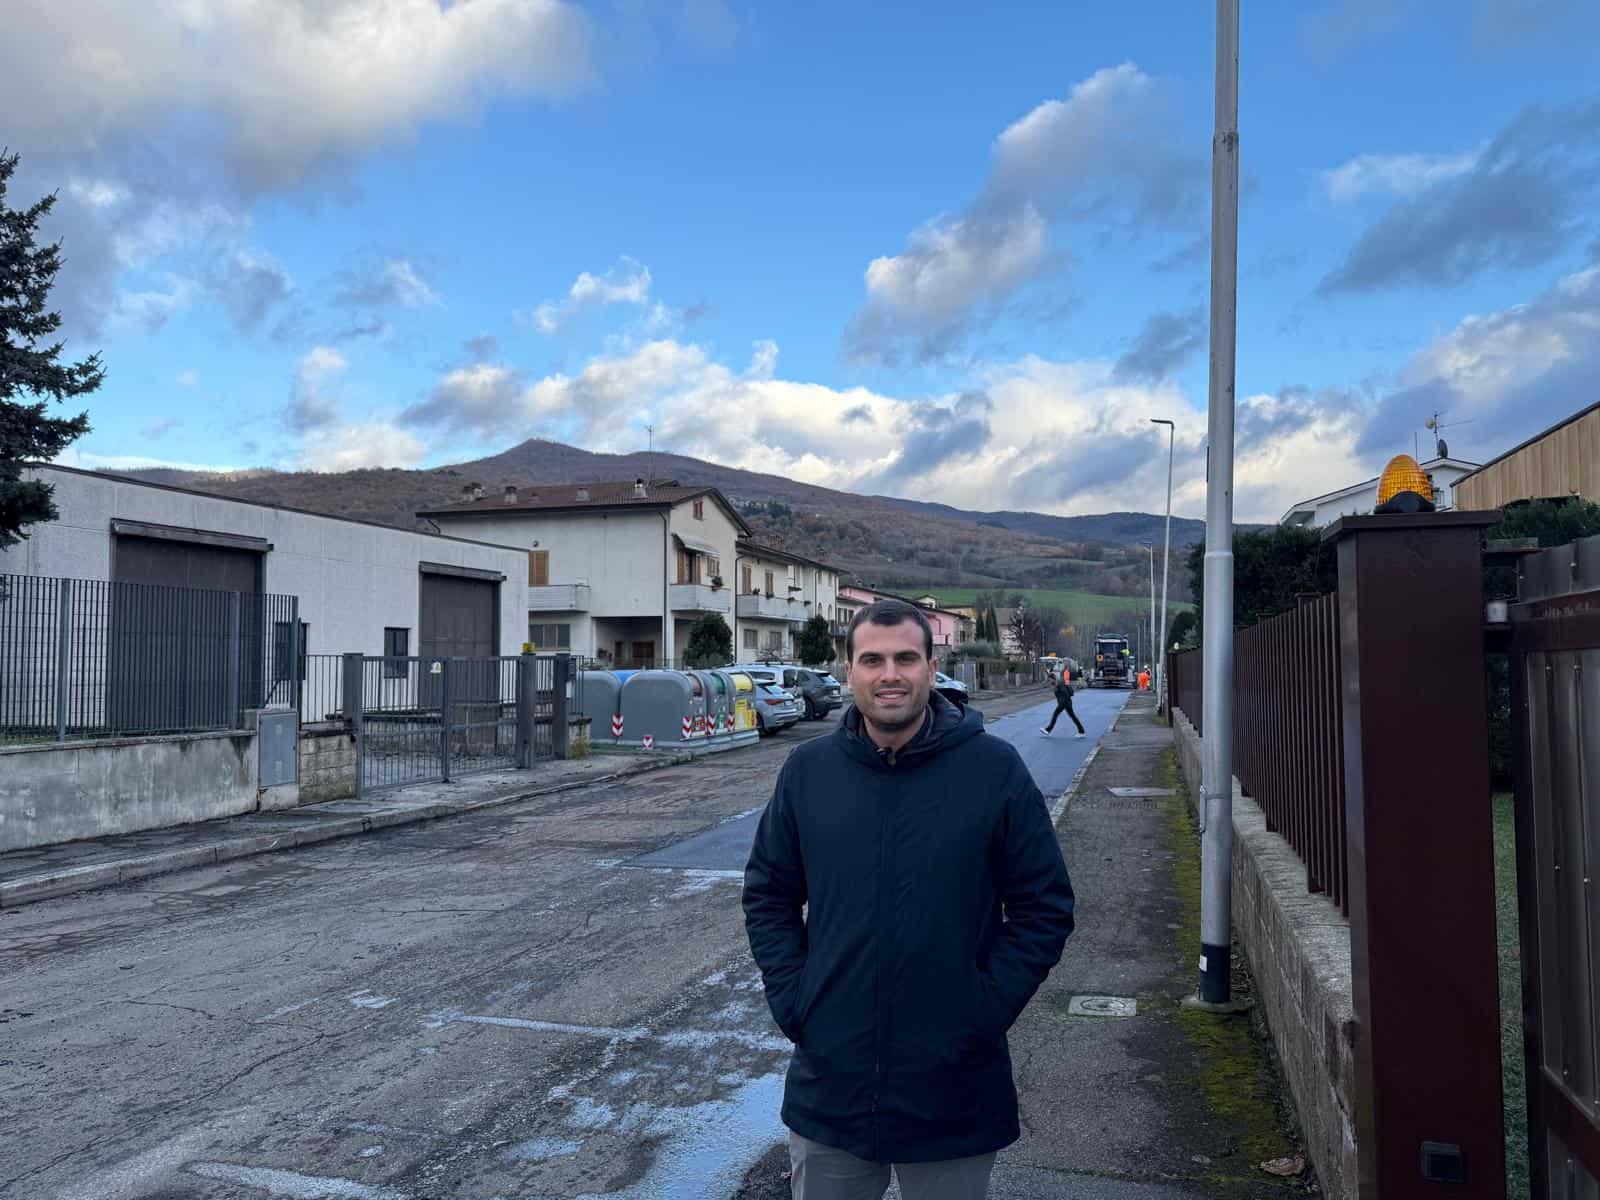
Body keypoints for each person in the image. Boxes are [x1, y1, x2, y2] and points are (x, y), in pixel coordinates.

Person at [744, 598, 1076, 1200]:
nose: (889, 675)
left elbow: (1044, 906)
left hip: (954, 1086)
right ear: (849, 670)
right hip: (832, 1086)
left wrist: (983, 1009)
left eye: (905, 659)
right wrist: (797, 1002)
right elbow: (768, 894)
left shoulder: (993, 769)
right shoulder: (807, 771)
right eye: (872, 660)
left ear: (931, 667)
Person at [1040, 666, 1085, 738]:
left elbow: (1065, 694)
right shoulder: (1056, 683)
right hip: (1066, 702)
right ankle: (1081, 731)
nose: (1049, 681)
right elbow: (1059, 695)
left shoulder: (1060, 683)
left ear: (1053, 678)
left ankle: (1048, 730)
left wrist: (1061, 704)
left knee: (1055, 714)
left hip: (1064, 702)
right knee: (1072, 716)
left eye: (1049, 680)